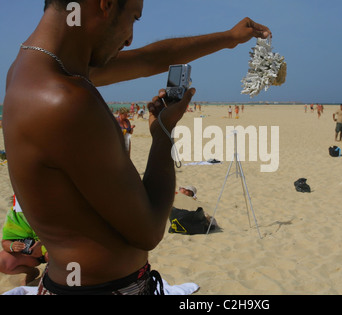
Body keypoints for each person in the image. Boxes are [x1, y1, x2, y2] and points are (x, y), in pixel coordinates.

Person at [2, 0, 270, 295]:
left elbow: (147, 60)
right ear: (105, 4)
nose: (130, 37)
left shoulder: (33, 69)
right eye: (134, 17)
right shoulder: (65, 100)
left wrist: (229, 38)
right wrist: (163, 132)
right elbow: (150, 230)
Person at [0, 196, 48, 285]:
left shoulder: (50, 209)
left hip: (50, 251)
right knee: (1, 262)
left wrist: (42, 245)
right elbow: (5, 242)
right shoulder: (16, 214)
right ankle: (32, 272)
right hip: (28, 254)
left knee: (52, 255)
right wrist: (12, 246)